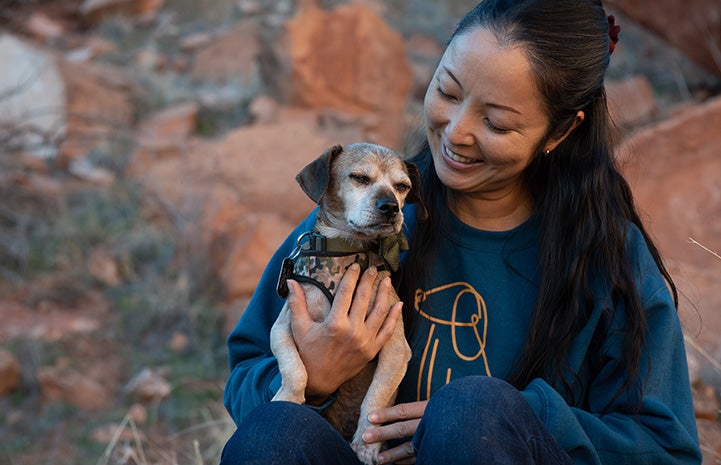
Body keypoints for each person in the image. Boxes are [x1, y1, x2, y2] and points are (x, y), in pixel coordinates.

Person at [220, 0, 702, 463]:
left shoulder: (605, 256)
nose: (456, 132)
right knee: (272, 436)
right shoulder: (363, 222)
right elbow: (245, 379)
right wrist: (317, 376)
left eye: (495, 121)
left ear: (558, 133)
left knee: (470, 415)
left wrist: (515, 421)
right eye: (448, 91)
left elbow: (665, 447)